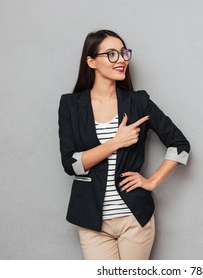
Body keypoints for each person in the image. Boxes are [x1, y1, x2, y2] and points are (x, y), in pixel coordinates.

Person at [58, 29, 190, 260]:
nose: (121, 60)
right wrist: (115, 143)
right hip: (91, 220)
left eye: (123, 53)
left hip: (134, 218)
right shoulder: (70, 105)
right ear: (91, 61)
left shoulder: (139, 102)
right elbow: (71, 164)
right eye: (111, 54)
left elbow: (179, 144)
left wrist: (152, 181)